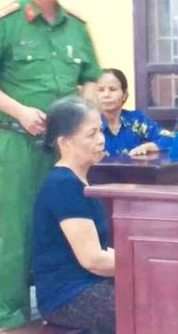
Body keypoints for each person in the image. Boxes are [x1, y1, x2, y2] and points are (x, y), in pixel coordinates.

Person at [0, 0, 102, 330]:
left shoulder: (76, 27)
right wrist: (20, 111)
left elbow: (91, 78)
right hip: (20, 144)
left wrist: (83, 116)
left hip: (66, 148)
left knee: (74, 223)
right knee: (18, 231)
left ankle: (69, 305)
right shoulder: (3, 23)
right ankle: (10, 318)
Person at [33, 96, 115, 334]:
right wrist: (140, 265)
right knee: (145, 306)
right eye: (91, 134)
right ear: (64, 142)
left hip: (90, 284)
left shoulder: (78, 181)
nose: (101, 140)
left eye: (101, 131)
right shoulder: (63, 184)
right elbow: (92, 260)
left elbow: (101, 251)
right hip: (67, 296)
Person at [96, 68, 173, 157]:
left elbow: (170, 138)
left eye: (112, 89)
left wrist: (147, 147)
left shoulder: (136, 121)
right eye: (101, 90)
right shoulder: (88, 125)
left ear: (124, 95)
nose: (106, 95)